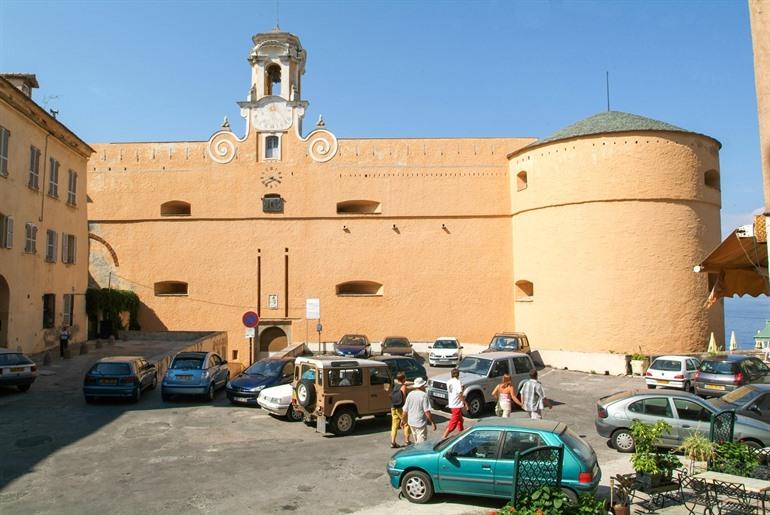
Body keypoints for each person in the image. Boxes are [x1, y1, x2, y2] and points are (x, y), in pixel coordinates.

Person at [401, 377, 436, 443]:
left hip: (411, 422)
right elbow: (427, 411)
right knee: (421, 444)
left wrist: (402, 420)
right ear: (422, 386)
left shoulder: (410, 394)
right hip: (420, 423)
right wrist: (432, 422)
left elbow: (405, 410)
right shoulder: (424, 395)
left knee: (416, 441)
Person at [389, 372, 412, 448]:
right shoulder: (403, 387)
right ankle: (407, 441)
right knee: (406, 424)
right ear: (403, 379)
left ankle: (393, 442)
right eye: (405, 378)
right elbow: (404, 398)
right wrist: (406, 408)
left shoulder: (395, 384)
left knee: (394, 425)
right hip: (400, 408)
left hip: (393, 406)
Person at [442, 368, 466, 438]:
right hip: (456, 405)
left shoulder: (449, 382)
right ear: (458, 375)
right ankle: (444, 436)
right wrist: (465, 403)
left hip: (452, 403)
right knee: (453, 424)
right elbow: (460, 394)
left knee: (460, 420)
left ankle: (461, 432)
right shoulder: (458, 382)